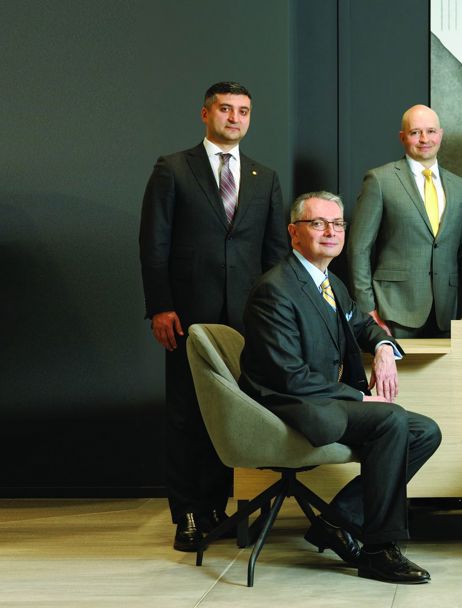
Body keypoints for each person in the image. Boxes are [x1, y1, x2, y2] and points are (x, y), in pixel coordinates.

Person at [239, 192, 439, 583]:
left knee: (425, 431)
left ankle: (337, 521)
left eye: (338, 224)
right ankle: (379, 550)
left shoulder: (330, 283)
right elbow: (289, 376)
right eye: (318, 223)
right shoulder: (275, 289)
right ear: (294, 233)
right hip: (289, 405)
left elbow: (362, 324)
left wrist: (383, 347)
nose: (331, 231)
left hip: (321, 399)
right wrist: (359, 396)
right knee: (390, 419)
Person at [138, 81, 288, 552]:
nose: (235, 118)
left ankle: (219, 508)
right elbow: (154, 243)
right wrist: (160, 306)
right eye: (226, 109)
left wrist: (276, 316)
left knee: (235, 415)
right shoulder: (173, 169)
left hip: (247, 319)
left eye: (243, 111)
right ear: (205, 114)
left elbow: (275, 254)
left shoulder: (265, 177)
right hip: (187, 315)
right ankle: (187, 514)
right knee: (188, 415)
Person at [348, 104, 462, 338]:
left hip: (446, 314)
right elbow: (358, 249)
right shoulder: (379, 180)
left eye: (431, 131)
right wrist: (367, 309)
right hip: (393, 310)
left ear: (441, 134)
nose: (424, 139)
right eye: (415, 132)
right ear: (402, 137)